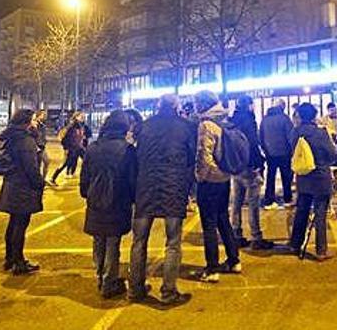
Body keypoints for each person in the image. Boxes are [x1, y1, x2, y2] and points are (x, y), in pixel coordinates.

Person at [130, 95, 195, 304]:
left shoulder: (145, 126)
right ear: (176, 107)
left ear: (158, 106)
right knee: (173, 242)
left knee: (139, 241)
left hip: (146, 187)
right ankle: (168, 291)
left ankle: (135, 288)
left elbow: (136, 156)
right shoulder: (186, 126)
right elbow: (191, 159)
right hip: (173, 188)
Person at [79, 110, 137, 299]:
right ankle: (109, 281)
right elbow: (132, 179)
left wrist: (87, 192)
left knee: (98, 239)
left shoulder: (93, 148)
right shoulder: (127, 150)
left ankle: (100, 275)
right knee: (113, 241)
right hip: (118, 200)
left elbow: (85, 176)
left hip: (95, 200)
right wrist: (132, 198)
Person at [193, 90, 240, 283]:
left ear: (202, 104)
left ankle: (212, 268)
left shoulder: (206, 124)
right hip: (225, 178)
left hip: (211, 181)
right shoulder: (225, 120)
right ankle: (234, 260)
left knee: (209, 225)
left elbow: (204, 155)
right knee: (223, 219)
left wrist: (200, 177)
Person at [287, 103, 337, 261]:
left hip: (303, 178)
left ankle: (295, 244)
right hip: (320, 178)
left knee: (301, 212)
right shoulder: (320, 133)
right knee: (320, 214)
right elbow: (333, 155)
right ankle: (321, 250)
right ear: (314, 115)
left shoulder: (294, 132)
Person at [0, 109, 43, 275]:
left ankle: (10, 258)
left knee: (13, 223)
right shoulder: (25, 140)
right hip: (23, 187)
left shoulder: (8, 136)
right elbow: (31, 167)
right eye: (32, 120)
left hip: (10, 184)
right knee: (20, 225)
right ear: (26, 122)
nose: (34, 123)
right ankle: (19, 262)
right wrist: (39, 183)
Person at [229, 96, 274, 250]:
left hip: (236, 166)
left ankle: (236, 234)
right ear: (248, 105)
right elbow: (252, 143)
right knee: (253, 202)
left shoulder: (232, 120)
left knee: (237, 201)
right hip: (249, 166)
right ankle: (256, 236)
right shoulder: (249, 120)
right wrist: (258, 163)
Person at [260, 99, 294, 209]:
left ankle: (269, 199)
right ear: (282, 107)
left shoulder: (265, 119)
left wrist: (265, 149)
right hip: (284, 153)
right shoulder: (285, 118)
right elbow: (290, 136)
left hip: (270, 153)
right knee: (286, 176)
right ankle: (287, 198)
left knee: (270, 176)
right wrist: (291, 150)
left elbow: (260, 136)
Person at [49, 112, 90, 185]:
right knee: (64, 164)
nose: (83, 117)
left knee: (87, 161)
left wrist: (82, 139)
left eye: (83, 116)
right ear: (76, 117)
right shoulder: (71, 126)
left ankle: (88, 179)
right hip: (72, 148)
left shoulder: (81, 126)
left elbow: (81, 135)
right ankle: (53, 178)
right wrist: (66, 148)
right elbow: (64, 138)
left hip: (79, 148)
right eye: (81, 116)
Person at [318, 102, 337, 191]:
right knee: (329, 164)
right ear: (328, 110)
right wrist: (332, 132)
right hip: (328, 145)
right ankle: (329, 183)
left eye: (335, 110)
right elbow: (322, 129)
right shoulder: (323, 120)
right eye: (332, 110)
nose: (334, 112)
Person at [33, 110, 50, 179]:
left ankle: (42, 178)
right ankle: (38, 179)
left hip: (42, 146)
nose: (44, 116)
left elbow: (42, 135)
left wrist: (44, 141)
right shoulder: (35, 124)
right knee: (39, 164)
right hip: (37, 147)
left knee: (46, 162)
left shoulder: (42, 125)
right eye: (43, 115)